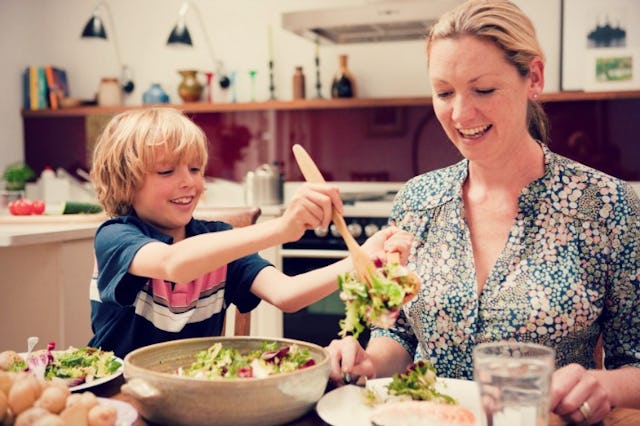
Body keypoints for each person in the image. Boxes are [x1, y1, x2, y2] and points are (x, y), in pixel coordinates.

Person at [325, 1, 640, 424]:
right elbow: (395, 333)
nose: (460, 114)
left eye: (483, 90)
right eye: (443, 92)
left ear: (534, 78)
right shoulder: (418, 201)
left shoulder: (607, 206)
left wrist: (601, 385)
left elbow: (634, 362)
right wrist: (367, 361)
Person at [87, 107, 412, 359]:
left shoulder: (219, 240)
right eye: (167, 171)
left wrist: (363, 260)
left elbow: (287, 295)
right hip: (120, 396)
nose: (189, 182)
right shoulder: (116, 237)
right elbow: (174, 263)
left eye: (196, 169)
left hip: (193, 396)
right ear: (124, 181)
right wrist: (282, 228)